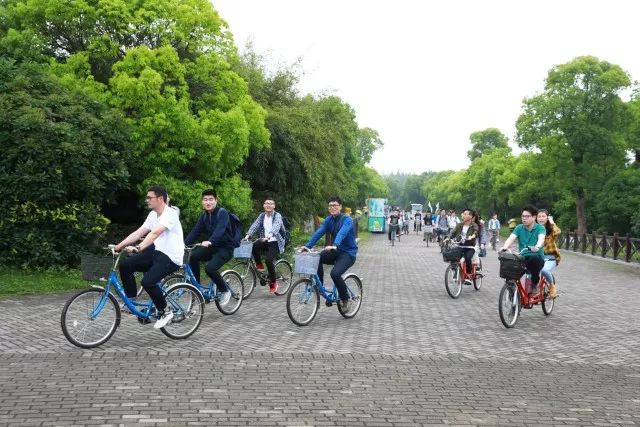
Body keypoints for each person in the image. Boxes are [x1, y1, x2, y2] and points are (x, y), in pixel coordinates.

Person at [115, 185, 183, 329]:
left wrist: (138, 248)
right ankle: (131, 300)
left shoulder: (170, 214)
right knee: (126, 265)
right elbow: (139, 233)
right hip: (157, 253)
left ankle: (166, 311)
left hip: (171, 256)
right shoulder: (153, 215)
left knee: (148, 282)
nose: (147, 200)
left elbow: (154, 234)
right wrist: (119, 246)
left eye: (149, 197)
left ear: (160, 199)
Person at [301, 197, 358, 311]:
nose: (333, 207)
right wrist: (307, 246)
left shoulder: (347, 220)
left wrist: (335, 244)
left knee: (335, 274)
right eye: (330, 205)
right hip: (335, 251)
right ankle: (320, 286)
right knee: (317, 258)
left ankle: (345, 299)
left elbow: (342, 232)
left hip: (348, 253)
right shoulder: (328, 220)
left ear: (340, 207)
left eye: (335, 205)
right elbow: (319, 232)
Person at [184, 189, 235, 305]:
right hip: (211, 247)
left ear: (216, 200)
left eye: (211, 199)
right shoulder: (204, 216)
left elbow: (220, 230)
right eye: (205, 200)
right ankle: (197, 288)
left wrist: (210, 241)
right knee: (192, 256)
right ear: (202, 202)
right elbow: (195, 232)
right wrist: (183, 244)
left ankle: (225, 290)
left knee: (210, 268)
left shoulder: (222, 213)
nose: (208, 202)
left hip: (225, 248)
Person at [501, 205, 546, 295]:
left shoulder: (540, 228)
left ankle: (534, 284)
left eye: (527, 216)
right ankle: (511, 293)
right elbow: (511, 238)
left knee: (535, 260)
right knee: (509, 272)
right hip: (523, 257)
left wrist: (537, 247)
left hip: (536, 257)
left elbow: (541, 238)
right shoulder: (519, 228)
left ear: (534, 217)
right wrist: (504, 247)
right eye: (523, 216)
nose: (524, 219)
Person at [244, 197, 286, 294]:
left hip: (276, 242)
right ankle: (259, 264)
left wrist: (270, 235)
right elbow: (255, 225)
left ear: (274, 206)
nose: (268, 205)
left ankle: (273, 283)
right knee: (253, 246)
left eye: (271, 203)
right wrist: (247, 236)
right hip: (265, 240)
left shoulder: (277, 215)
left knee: (268, 260)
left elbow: (276, 226)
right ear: (264, 205)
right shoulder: (262, 216)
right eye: (266, 203)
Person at [447, 209, 479, 285]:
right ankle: (455, 271)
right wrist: (448, 238)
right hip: (460, 246)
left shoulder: (474, 225)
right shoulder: (459, 225)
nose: (463, 215)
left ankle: (468, 275)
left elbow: (476, 232)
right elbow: (453, 232)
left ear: (470, 216)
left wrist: (472, 236)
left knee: (468, 257)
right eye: (463, 214)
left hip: (470, 247)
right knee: (453, 256)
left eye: (465, 214)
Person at [537, 209, 561, 299]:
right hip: (538, 257)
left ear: (547, 218)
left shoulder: (551, 229)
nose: (541, 218)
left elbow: (558, 232)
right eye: (539, 216)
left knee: (543, 270)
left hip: (550, 257)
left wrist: (552, 222)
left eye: (543, 216)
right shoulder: (534, 229)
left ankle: (552, 287)